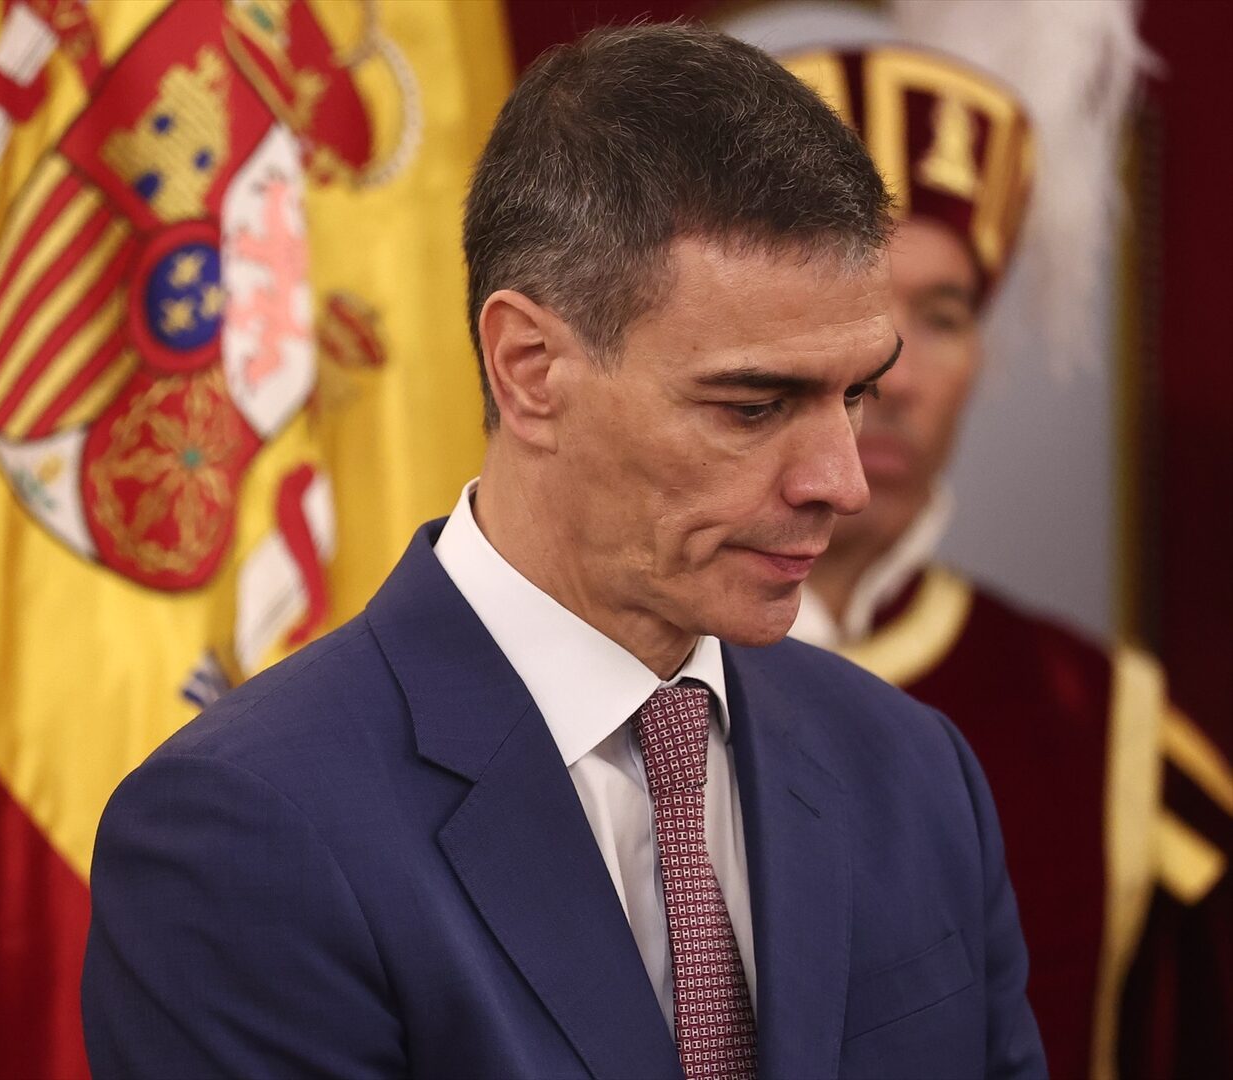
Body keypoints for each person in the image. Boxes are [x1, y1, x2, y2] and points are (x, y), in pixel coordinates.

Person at [82, 25, 1048, 1079]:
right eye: (754, 405)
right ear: (529, 367)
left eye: (854, 392)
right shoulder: (245, 830)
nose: (841, 482)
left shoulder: (914, 772)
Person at [779, 44, 1233, 1080]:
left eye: (942, 315)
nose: (894, 373)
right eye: (846, 300)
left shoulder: (1105, 728)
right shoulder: (594, 685)